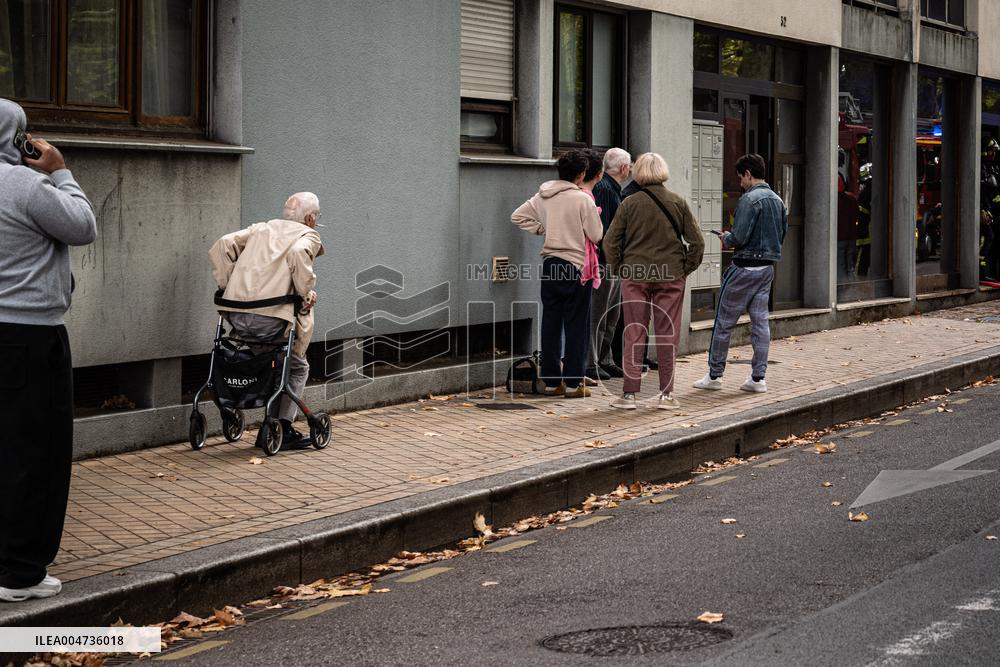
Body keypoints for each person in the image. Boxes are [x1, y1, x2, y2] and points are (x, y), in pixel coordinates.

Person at [0, 100, 97, 602]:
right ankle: (21, 573)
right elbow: (82, 226)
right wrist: (60, 172)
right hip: (29, 335)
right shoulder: (26, 186)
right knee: (35, 453)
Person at [210, 193, 325, 446]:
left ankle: (238, 406)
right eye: (317, 217)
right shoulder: (307, 235)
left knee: (263, 356)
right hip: (271, 320)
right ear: (309, 218)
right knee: (296, 366)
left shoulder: (261, 228)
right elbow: (297, 253)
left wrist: (228, 287)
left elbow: (222, 245)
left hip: (236, 318)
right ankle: (282, 426)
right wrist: (305, 294)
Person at [603, 152, 704, 410]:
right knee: (666, 333)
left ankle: (629, 395)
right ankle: (666, 394)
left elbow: (610, 242)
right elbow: (697, 242)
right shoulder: (677, 202)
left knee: (634, 331)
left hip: (635, 275)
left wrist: (620, 268)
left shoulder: (629, 203)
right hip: (670, 275)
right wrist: (685, 269)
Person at [512, 149, 603, 398]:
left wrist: (544, 229)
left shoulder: (544, 196)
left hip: (551, 264)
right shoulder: (583, 199)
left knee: (550, 323)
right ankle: (574, 384)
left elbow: (518, 216)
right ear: (582, 173)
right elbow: (596, 235)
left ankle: (552, 383)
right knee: (576, 325)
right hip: (575, 265)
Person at [694, 153, 787, 394]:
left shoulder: (749, 199)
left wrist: (726, 237)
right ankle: (758, 378)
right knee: (760, 322)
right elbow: (781, 235)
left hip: (744, 267)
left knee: (723, 323)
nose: (740, 183)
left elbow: (739, 237)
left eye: (741, 178)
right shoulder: (778, 200)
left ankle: (715, 375)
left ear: (748, 174)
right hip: (767, 268)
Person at [587, 148, 631, 383]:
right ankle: (592, 362)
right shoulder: (605, 189)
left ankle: (605, 359)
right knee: (599, 315)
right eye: (629, 166)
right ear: (624, 168)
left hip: (612, 263)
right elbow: (604, 232)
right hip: (605, 264)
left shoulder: (612, 189)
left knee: (611, 315)